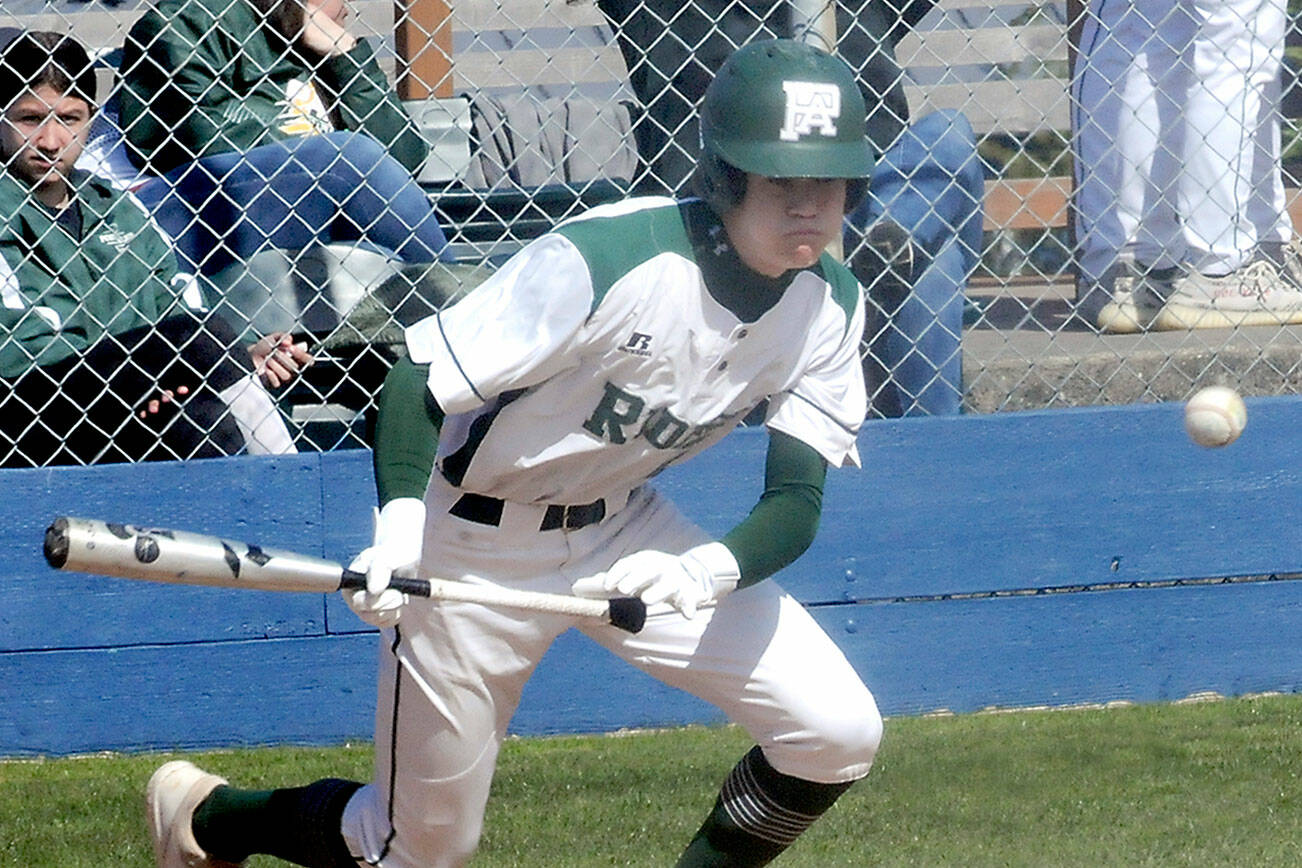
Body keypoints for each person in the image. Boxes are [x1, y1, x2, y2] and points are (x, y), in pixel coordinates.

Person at [144, 40, 882, 868]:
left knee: (836, 731)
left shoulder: (829, 308)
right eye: (782, 180)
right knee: (418, 848)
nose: (810, 207)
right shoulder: (607, 260)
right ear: (726, 176)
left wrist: (705, 570)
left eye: (831, 183)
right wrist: (399, 529)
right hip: (471, 542)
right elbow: (417, 377)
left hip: (626, 535)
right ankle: (208, 817)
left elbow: (796, 503)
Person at [597, 0, 979, 416]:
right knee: (936, 264)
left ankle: (878, 256)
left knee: (950, 137)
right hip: (738, 220)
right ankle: (929, 452)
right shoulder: (665, 10)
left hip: (860, 209)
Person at [0, 30, 310, 467]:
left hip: (128, 398)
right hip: (26, 412)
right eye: (30, 119)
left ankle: (250, 531)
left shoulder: (119, 211)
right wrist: (153, 372)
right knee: (200, 339)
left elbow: (175, 309)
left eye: (69, 119)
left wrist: (234, 361)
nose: (51, 141)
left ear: (91, 120)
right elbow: (18, 351)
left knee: (202, 419)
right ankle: (295, 495)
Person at [118, 0, 455, 281]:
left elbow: (406, 156)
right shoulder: (186, 24)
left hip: (310, 209)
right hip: (200, 213)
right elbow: (197, 139)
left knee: (381, 255)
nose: (349, 6)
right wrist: (320, 157)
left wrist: (345, 56)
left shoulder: (315, 40)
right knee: (346, 158)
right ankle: (462, 302)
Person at [1074, 0, 1302, 332]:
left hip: (1112, 248)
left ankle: (1133, 266)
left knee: (1140, 23)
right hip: (1219, 259)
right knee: (1237, 33)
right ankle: (1223, 268)